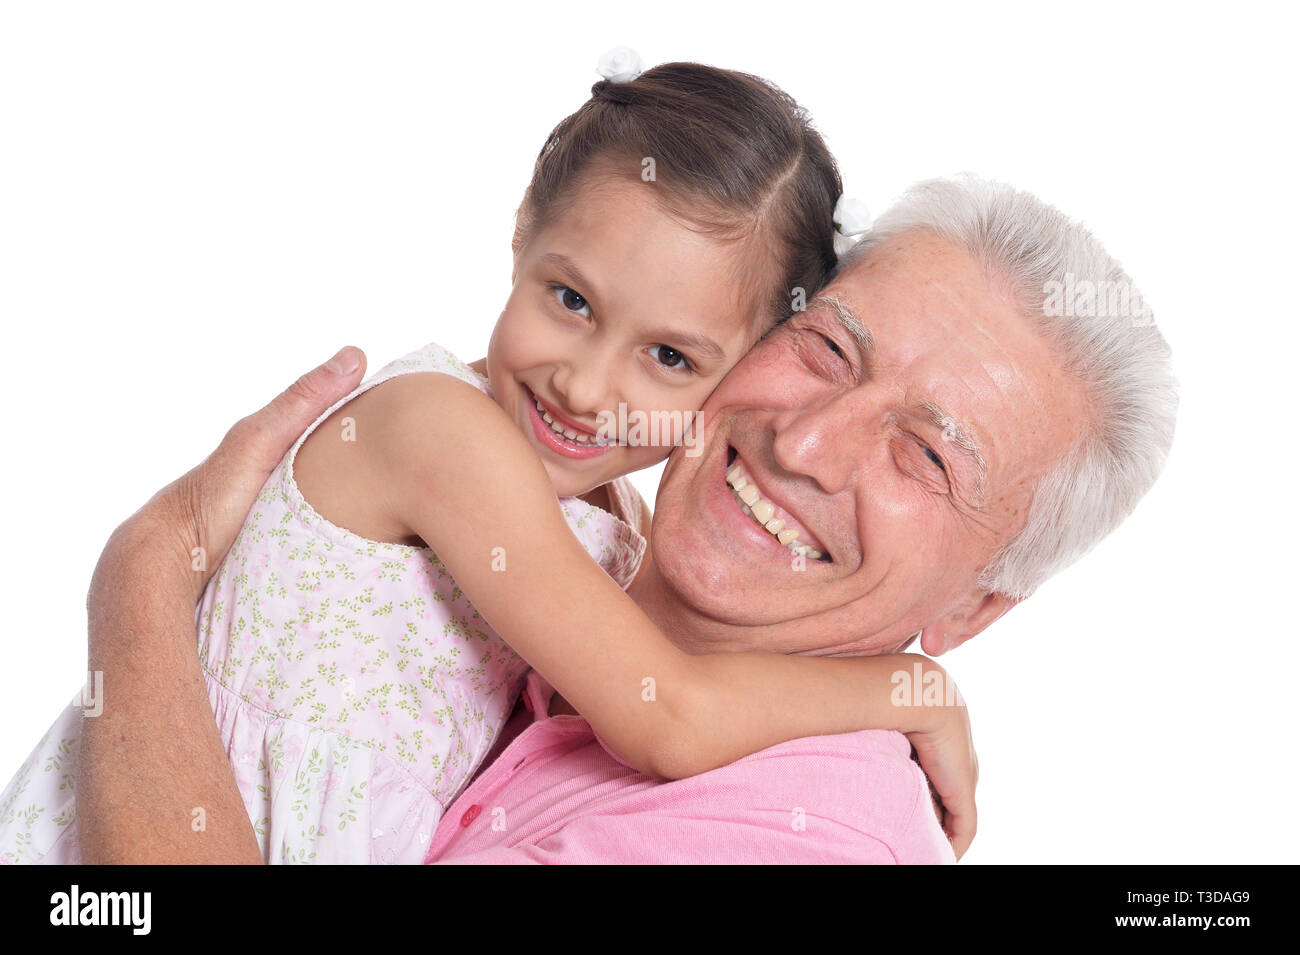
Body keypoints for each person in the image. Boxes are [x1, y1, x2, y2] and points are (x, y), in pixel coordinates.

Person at [0, 58, 977, 865]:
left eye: (669, 356)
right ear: (522, 235)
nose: (587, 386)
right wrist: (907, 687)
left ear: (749, 367)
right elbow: (665, 715)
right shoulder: (442, 431)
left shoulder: (617, 520)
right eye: (571, 301)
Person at [64, 175, 1178, 864]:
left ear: (974, 605)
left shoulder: (801, 838)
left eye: (926, 453)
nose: (803, 443)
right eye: (829, 349)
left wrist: (143, 583)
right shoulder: (566, 556)